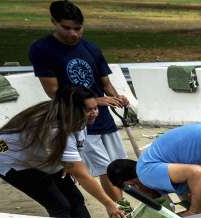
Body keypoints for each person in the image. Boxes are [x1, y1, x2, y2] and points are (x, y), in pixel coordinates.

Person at [29, 1, 129, 204]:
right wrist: (96, 101)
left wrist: (117, 98)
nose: (73, 34)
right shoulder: (42, 49)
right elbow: (54, 92)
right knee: (103, 169)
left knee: (118, 166)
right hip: (77, 122)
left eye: (78, 28)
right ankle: (122, 210)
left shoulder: (90, 47)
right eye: (66, 28)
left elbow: (105, 82)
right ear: (53, 23)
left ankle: (123, 206)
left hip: (103, 117)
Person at [0, 87, 125, 218]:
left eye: (96, 108)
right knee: (59, 204)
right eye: (89, 110)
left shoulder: (76, 119)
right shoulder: (56, 131)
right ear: (72, 110)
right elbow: (82, 175)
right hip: (7, 158)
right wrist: (109, 203)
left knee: (75, 198)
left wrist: (68, 166)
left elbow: (75, 155)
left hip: (36, 153)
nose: (95, 113)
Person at [105, 123, 201, 215]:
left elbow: (196, 173)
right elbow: (186, 194)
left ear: (133, 185)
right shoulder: (153, 162)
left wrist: (194, 212)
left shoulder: (145, 173)